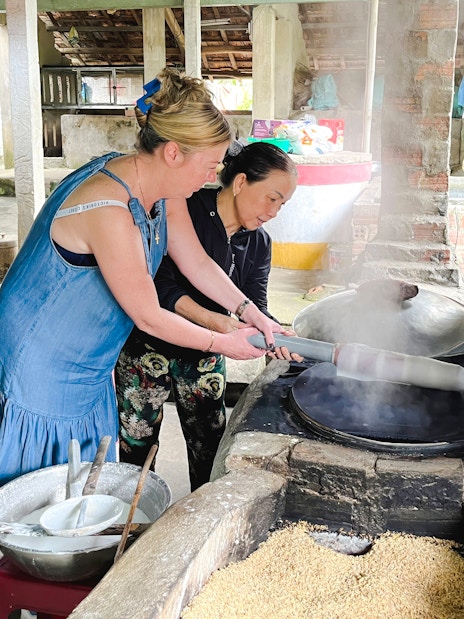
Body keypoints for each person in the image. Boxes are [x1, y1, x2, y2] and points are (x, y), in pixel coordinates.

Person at [0, 67, 287, 487]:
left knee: (80, 490)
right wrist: (223, 342)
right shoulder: (108, 208)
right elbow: (149, 315)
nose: (213, 177)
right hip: (41, 366)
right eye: (209, 165)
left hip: (90, 367)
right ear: (173, 153)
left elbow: (197, 262)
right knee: (36, 497)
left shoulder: (161, 189)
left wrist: (248, 311)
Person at [115, 141, 299, 490]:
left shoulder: (258, 243)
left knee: (209, 446)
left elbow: (254, 304)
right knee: (137, 443)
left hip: (205, 356)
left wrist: (273, 335)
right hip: (147, 347)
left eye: (282, 204)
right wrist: (217, 322)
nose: (275, 211)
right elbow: (160, 286)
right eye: (271, 198)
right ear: (241, 182)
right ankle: (133, 521)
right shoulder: (185, 210)